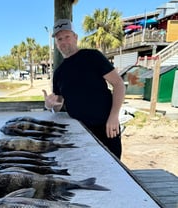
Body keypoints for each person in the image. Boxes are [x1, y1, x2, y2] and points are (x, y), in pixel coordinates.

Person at [43, 19, 125, 159]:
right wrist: (49, 105)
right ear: (56, 44)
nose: (63, 42)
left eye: (67, 37)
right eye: (59, 39)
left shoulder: (93, 56)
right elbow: (58, 104)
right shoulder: (59, 72)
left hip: (105, 127)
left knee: (111, 167)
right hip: (78, 130)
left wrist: (114, 116)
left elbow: (119, 85)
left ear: (75, 37)